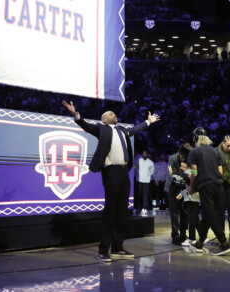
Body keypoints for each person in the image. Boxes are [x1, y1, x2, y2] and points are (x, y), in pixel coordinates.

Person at [62, 100, 160, 262]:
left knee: (122, 212)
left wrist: (148, 122)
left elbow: (135, 129)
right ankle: (103, 249)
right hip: (111, 173)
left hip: (124, 173)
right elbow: (86, 126)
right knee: (110, 212)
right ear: (104, 120)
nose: (113, 114)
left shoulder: (122, 130)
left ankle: (118, 247)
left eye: (114, 113)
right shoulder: (101, 129)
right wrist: (76, 114)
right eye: (110, 114)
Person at [187, 134, 230, 256]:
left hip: (205, 186)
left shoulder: (194, 152)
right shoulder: (215, 151)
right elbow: (220, 171)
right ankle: (200, 243)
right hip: (218, 185)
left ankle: (224, 243)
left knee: (210, 214)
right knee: (207, 214)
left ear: (196, 140)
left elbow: (194, 172)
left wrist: (191, 187)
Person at [166, 144, 191, 245]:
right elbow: (174, 176)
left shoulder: (189, 158)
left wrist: (184, 174)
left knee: (184, 212)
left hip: (184, 188)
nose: (183, 158)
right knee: (174, 212)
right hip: (172, 188)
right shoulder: (172, 158)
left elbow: (192, 173)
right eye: (182, 156)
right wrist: (184, 174)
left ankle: (183, 235)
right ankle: (175, 235)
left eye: (185, 157)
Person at [137, 150, 154, 216]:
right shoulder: (138, 161)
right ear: (141, 154)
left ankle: (144, 208)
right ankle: (139, 207)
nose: (144, 154)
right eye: (143, 153)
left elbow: (152, 171)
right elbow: (135, 169)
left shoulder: (150, 162)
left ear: (147, 154)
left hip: (146, 180)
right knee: (139, 194)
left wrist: (147, 175)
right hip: (139, 180)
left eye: (145, 153)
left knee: (145, 194)